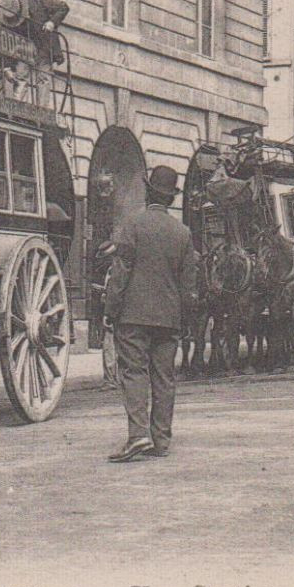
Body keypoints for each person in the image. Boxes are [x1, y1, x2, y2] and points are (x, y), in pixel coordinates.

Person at [102, 164, 198, 462]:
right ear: (171, 198)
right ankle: (161, 439)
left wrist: (110, 310)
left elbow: (121, 273)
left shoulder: (132, 226)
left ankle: (138, 435)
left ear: (148, 192)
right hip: (169, 318)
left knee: (134, 372)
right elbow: (189, 285)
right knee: (164, 377)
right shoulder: (182, 233)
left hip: (133, 315)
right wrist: (185, 319)